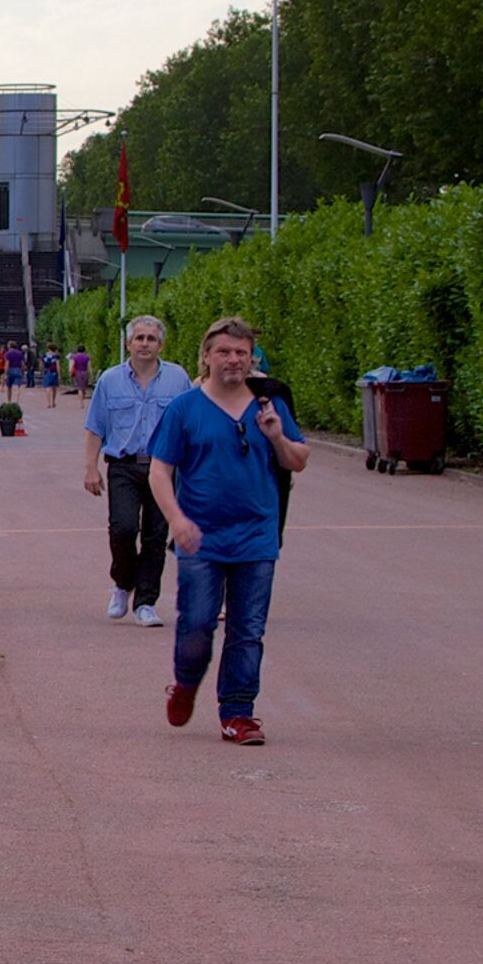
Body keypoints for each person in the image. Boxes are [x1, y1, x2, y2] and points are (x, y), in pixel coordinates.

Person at [149, 314, 309, 745]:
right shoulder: (185, 408)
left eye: (242, 353)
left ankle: (239, 713)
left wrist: (276, 436)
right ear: (206, 356)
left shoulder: (268, 406)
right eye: (224, 352)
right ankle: (185, 683)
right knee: (198, 623)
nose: (234, 360)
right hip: (201, 537)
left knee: (248, 629)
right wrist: (177, 520)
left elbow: (297, 460)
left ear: (252, 358)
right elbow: (160, 471)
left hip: (257, 535)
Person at [82, 316, 190, 624]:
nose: (145, 344)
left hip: (164, 468)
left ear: (161, 344)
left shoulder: (177, 379)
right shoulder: (110, 380)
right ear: (128, 343)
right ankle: (122, 582)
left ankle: (146, 602)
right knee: (123, 528)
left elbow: (188, 426)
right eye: (139, 338)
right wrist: (90, 468)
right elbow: (95, 427)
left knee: (156, 535)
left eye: (151, 339)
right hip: (124, 466)